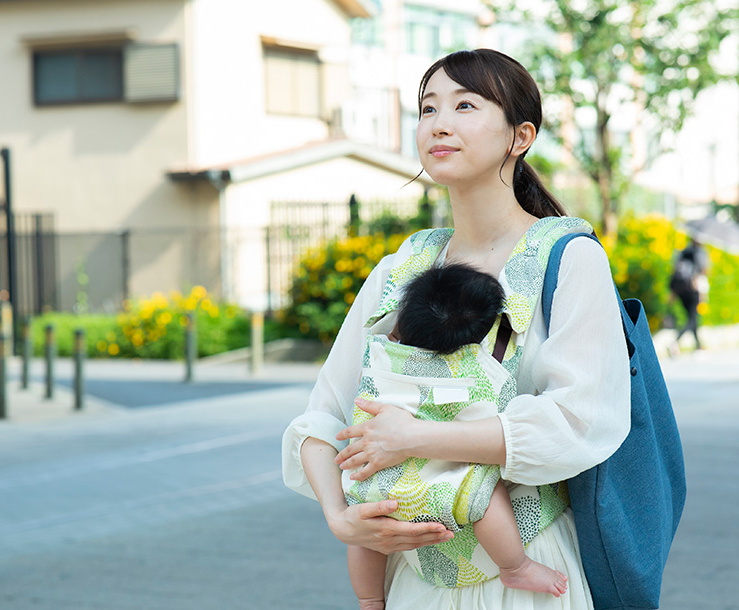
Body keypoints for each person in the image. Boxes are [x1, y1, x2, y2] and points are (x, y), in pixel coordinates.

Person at [282, 48, 630, 609]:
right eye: (427, 108)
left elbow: (578, 420)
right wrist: (342, 518)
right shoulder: (403, 266)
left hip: (529, 574)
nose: (438, 123)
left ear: (520, 137)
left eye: (465, 105)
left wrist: (417, 437)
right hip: (413, 580)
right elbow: (323, 415)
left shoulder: (568, 258)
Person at [346, 263, 568, 610]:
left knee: (367, 536)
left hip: (375, 481)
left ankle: (369, 599)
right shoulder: (472, 371)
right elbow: (488, 423)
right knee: (485, 497)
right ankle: (516, 567)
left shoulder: (380, 356)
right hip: (442, 490)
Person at [668, 238, 709, 352]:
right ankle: (675, 341)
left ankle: (698, 346)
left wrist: (673, 291)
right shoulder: (700, 252)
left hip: (680, 289)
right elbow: (704, 270)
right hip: (693, 288)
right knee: (692, 318)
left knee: (692, 317)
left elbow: (674, 270)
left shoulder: (682, 252)